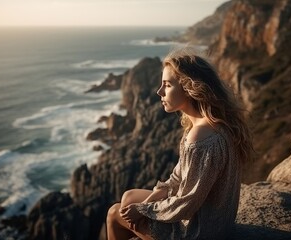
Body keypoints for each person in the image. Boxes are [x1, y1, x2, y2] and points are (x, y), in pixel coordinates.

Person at [106, 47, 253, 240]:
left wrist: (145, 210)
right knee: (129, 197)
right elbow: (176, 179)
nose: (159, 92)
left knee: (114, 214)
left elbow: (187, 202)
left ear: (189, 87)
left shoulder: (201, 136)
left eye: (167, 85)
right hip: (217, 223)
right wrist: (144, 207)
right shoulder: (218, 125)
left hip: (198, 233)